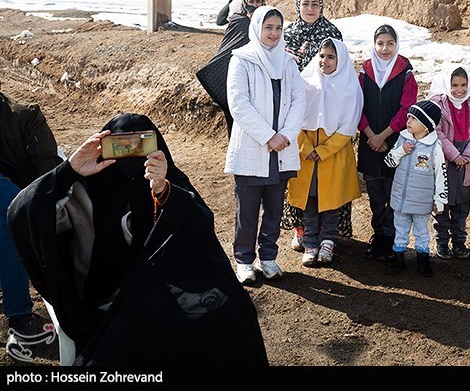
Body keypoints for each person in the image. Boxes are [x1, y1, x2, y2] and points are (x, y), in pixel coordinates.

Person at [7, 113, 269, 367]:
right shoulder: (82, 190)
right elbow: (21, 213)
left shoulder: (167, 179)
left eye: (139, 144)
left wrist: (164, 191)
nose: (129, 155)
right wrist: (68, 172)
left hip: (164, 287)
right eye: (119, 146)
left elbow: (201, 230)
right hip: (107, 300)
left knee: (236, 313)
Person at [225, 5, 306, 284]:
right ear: (257, 28)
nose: (273, 33)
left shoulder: (288, 62)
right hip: (254, 147)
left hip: (281, 150)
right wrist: (268, 136)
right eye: (268, 27)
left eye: (278, 28)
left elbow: (299, 101)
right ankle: (245, 260)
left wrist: (285, 134)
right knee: (247, 211)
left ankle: (268, 257)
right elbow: (239, 104)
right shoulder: (242, 59)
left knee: (274, 208)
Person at [280, 0, 351, 251]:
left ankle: (328, 234)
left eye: (315, 4)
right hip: (296, 108)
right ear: (298, 6)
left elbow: (341, 65)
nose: (310, 8)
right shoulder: (288, 33)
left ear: (321, 6)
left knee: (329, 178)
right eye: (305, 3)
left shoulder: (332, 32)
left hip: (329, 110)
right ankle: (302, 231)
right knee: (298, 175)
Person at [286, 38, 362, 267]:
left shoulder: (350, 88)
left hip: (334, 155)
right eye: (321, 56)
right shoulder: (305, 81)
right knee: (310, 201)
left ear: (340, 60)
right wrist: (306, 147)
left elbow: (349, 126)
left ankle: (327, 240)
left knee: (330, 201)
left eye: (331, 57)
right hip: (306, 155)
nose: (325, 61)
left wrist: (325, 150)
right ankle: (310, 242)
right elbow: (293, 117)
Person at [0, 89, 62, 359]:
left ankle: (19, 315)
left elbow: (49, 173)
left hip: (20, 206)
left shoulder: (24, 116)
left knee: (6, 212)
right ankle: (19, 315)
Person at [357, 24, 419, 261]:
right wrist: (371, 134)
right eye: (380, 43)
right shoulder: (365, 72)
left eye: (390, 43)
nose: (385, 49)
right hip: (370, 142)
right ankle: (379, 236)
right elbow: (357, 106)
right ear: (374, 45)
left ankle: (393, 238)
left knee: (394, 193)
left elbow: (407, 109)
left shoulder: (405, 72)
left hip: (395, 143)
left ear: (397, 45)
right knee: (375, 194)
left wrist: (383, 136)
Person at [383, 100, 448, 277]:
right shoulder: (403, 138)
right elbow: (389, 161)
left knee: (421, 230)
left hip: (422, 201)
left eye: (414, 118)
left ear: (426, 125)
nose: (408, 120)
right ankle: (398, 255)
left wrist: (440, 200)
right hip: (401, 198)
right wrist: (401, 151)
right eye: (409, 117)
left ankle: (423, 257)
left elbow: (441, 174)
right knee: (401, 228)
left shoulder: (434, 146)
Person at [427, 64, 470, 260]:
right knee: (443, 203)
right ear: (446, 84)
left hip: (465, 163)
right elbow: (437, 133)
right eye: (454, 85)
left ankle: (459, 239)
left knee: (462, 204)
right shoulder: (439, 105)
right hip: (445, 161)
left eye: (463, 84)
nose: (459, 89)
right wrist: (454, 155)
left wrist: (468, 155)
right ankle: (441, 241)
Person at [196, 0, 265, 137]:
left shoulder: (264, 23)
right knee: (232, 114)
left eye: (257, 2)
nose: (254, 5)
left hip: (250, 77)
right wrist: (230, 1)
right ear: (245, 1)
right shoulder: (237, 19)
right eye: (251, 1)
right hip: (227, 73)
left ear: (263, 2)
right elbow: (220, 21)